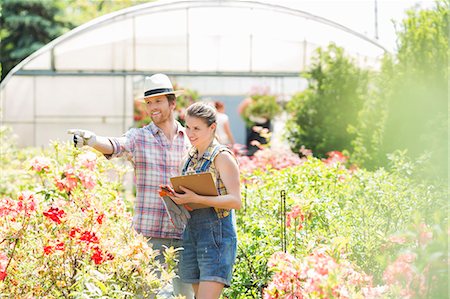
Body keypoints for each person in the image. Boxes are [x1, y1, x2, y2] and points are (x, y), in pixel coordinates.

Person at [67, 73, 194, 298]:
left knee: (187, 296)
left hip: (185, 234)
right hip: (148, 237)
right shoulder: (139, 137)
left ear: (172, 103)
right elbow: (116, 145)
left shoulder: (189, 140)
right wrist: (92, 140)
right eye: (148, 103)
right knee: (146, 294)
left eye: (158, 101)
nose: (152, 107)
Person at [169, 102, 241, 299]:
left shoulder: (222, 157)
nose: (190, 133)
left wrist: (197, 198)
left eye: (197, 128)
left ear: (212, 128)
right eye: (188, 126)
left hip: (216, 236)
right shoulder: (189, 158)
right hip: (192, 234)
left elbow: (236, 201)